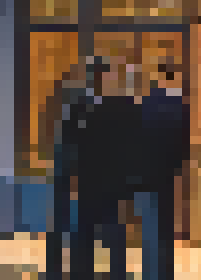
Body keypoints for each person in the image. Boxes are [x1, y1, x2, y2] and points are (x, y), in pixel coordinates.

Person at [74, 60, 139, 280]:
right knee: (109, 234)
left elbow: (77, 146)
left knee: (92, 234)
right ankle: (113, 273)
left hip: (93, 181)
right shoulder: (118, 107)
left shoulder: (84, 107)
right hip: (106, 181)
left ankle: (92, 272)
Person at [44, 60, 105, 280]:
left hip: (69, 163)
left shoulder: (75, 97)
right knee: (76, 219)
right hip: (77, 165)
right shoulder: (86, 101)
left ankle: (61, 266)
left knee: (66, 218)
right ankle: (73, 267)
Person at [137, 61, 190, 280]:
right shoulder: (180, 106)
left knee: (150, 226)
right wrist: (180, 167)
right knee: (166, 225)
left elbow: (139, 139)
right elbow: (183, 143)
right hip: (170, 173)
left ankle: (151, 271)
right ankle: (166, 271)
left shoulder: (145, 104)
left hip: (148, 173)